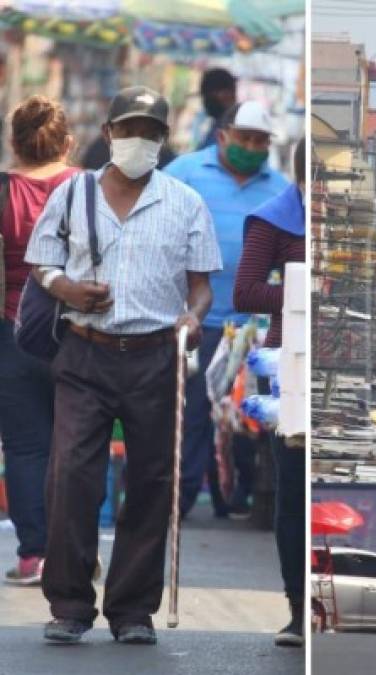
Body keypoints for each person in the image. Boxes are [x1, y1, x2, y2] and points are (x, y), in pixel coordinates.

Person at [25, 86, 222, 644]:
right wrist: (66, 286)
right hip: (84, 351)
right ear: (109, 133)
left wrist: (193, 317)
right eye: (130, 128)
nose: (139, 139)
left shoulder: (184, 202)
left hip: (154, 356)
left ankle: (132, 610)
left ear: (163, 139)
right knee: (71, 477)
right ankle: (68, 603)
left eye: (151, 131)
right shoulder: (71, 194)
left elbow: (202, 287)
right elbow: (41, 261)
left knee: (154, 481)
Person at [165, 101, 290, 519]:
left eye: (260, 141)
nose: (252, 147)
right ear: (223, 136)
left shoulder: (280, 188)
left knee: (251, 417)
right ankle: (178, 503)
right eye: (245, 138)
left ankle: (242, 499)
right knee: (193, 414)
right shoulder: (184, 173)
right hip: (198, 321)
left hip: (254, 328)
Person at [0, 96, 79, 585]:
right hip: (78, 331)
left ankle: (34, 555)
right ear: (68, 142)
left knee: (27, 447)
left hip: (12, 330)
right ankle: (73, 552)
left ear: (13, 142)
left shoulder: (3, 191)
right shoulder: (86, 189)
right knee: (76, 445)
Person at [234, 137, 306, 646]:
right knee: (294, 492)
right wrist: (306, 292)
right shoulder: (273, 219)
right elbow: (246, 292)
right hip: (291, 366)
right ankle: (298, 609)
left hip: (347, 361)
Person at [198, 67, 238, 149]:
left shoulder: (231, 130)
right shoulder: (219, 124)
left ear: (227, 94)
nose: (205, 102)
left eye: (207, 96)